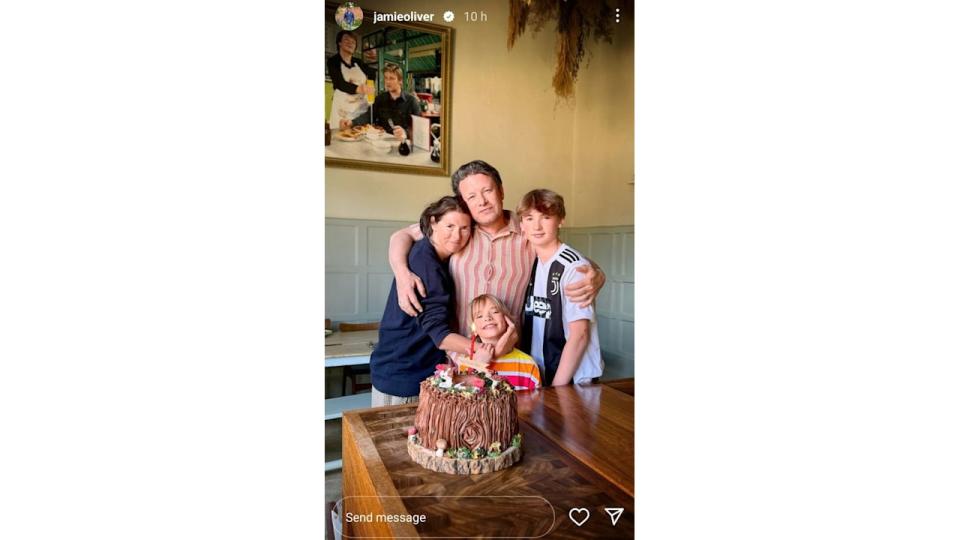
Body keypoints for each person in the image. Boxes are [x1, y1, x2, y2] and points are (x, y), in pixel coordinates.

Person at [387, 160, 605, 344]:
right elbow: (400, 236)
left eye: (487, 191)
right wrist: (402, 273)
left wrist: (598, 274)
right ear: (464, 202)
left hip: (511, 353)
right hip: (460, 354)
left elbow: (564, 257)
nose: (481, 201)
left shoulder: (526, 228)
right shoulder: (458, 231)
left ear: (501, 191)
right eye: (471, 196)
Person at [369, 196, 478, 406]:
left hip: (401, 366)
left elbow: (403, 234)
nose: (456, 235)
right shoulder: (427, 264)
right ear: (433, 223)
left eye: (465, 228)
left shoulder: (428, 251)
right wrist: (482, 350)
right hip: (405, 373)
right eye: (449, 226)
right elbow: (440, 335)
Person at [516, 189, 603, 386]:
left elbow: (580, 335)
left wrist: (557, 389)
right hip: (542, 372)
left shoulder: (574, 267)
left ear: (560, 220)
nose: (537, 226)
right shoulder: (532, 261)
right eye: (529, 218)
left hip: (574, 379)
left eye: (546, 217)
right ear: (522, 224)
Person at [452, 294, 542, 391]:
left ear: (506, 319)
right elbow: (465, 400)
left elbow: (536, 402)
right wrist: (478, 364)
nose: (487, 318)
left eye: (495, 312)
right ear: (475, 330)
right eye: (479, 316)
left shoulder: (528, 364)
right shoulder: (467, 363)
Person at [327, 30, 376, 130]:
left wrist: (373, 60)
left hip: (360, 110)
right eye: (346, 40)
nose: (351, 43)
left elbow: (372, 74)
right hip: (342, 111)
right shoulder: (333, 61)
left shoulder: (359, 62)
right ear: (339, 43)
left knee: (361, 137)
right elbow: (339, 83)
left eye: (353, 42)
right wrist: (359, 89)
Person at [371, 64, 422, 141]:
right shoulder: (379, 99)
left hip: (403, 143)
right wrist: (352, 122)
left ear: (400, 81)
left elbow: (419, 129)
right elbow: (370, 117)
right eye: (386, 78)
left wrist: (405, 132)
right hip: (382, 143)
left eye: (392, 78)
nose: (387, 81)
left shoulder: (412, 102)